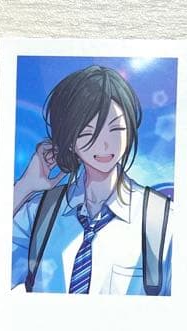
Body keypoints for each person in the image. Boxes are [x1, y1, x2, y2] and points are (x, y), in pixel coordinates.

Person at [11, 65, 171, 296]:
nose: (105, 144)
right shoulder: (39, 213)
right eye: (87, 132)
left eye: (116, 129)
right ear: (68, 138)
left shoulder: (161, 219)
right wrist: (25, 186)